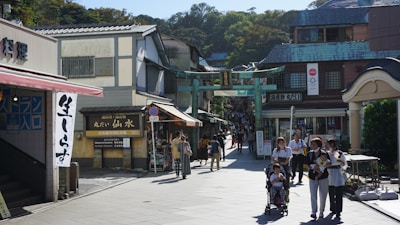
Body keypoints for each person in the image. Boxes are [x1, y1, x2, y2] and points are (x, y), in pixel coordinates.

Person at [305, 137, 329, 220]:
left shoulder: (324, 153)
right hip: (312, 177)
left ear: (318, 144)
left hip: (323, 177)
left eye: (314, 144)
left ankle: (321, 211)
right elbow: (306, 165)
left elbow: (329, 163)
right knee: (313, 195)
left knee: (323, 195)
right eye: (312, 144)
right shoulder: (310, 153)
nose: (312, 146)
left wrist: (322, 165)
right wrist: (312, 167)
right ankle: (313, 212)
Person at [326, 138, 347, 220]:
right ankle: (333, 208)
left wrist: (340, 161)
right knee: (331, 193)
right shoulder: (326, 154)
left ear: (332, 145)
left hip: (337, 173)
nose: (326, 146)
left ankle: (338, 211)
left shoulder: (339, 153)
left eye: (328, 144)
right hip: (329, 173)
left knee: (338, 194)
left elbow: (344, 164)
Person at [271, 136, 292, 202]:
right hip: (277, 166)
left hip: (285, 167)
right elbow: (272, 159)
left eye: (283, 142)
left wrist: (282, 163)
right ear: (278, 144)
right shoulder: (275, 150)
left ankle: (286, 196)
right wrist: (274, 162)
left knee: (286, 182)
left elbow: (287, 160)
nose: (281, 144)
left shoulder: (288, 149)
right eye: (280, 143)